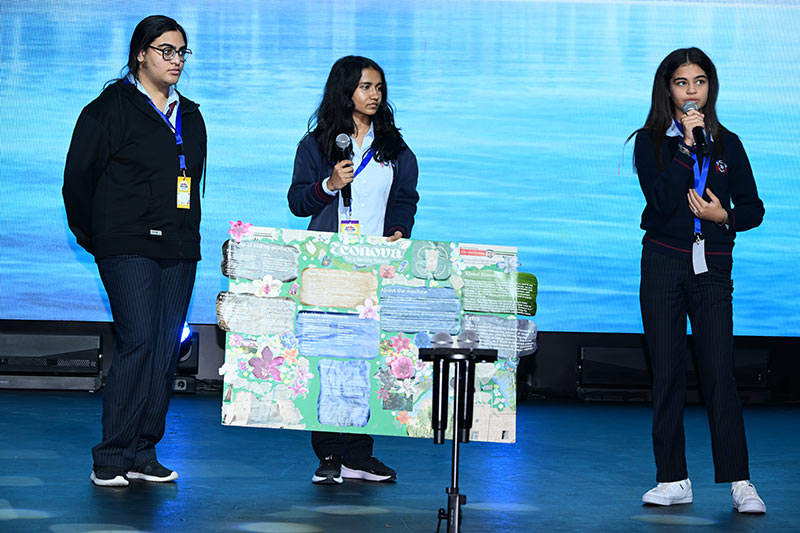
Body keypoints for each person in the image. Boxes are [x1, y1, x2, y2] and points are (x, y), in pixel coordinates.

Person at [63, 15, 206, 487]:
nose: (176, 60)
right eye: (166, 50)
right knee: (139, 339)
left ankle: (143, 451)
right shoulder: (109, 110)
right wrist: (100, 237)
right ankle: (111, 456)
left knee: (165, 349)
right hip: (126, 245)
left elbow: (192, 185)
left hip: (179, 247)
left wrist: (189, 237)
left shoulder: (190, 115)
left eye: (182, 52)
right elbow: (78, 181)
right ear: (141, 54)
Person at [630, 47, 766, 513]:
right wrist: (687, 148)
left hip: (713, 267)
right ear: (667, 90)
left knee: (718, 374)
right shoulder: (650, 142)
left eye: (700, 82)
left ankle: (740, 482)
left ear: (711, 87)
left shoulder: (729, 144)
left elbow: (753, 209)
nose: (692, 91)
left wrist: (722, 216)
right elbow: (661, 201)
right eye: (682, 82)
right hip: (663, 262)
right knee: (666, 372)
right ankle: (672, 479)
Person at [288, 55, 419, 484]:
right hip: (329, 262)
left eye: (379, 88)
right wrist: (329, 185)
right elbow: (297, 201)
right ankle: (329, 454)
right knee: (329, 353)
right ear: (345, 91)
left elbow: (405, 199)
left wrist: (399, 229)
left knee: (367, 355)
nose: (374, 95)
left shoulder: (394, 148)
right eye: (365, 87)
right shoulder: (316, 145)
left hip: (375, 266)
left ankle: (359, 454)